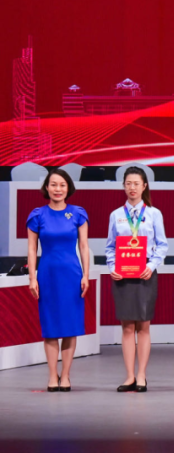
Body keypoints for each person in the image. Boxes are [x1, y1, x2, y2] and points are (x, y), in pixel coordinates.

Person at [104, 166, 168, 393]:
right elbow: (110, 247)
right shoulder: (116, 215)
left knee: (143, 326)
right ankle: (129, 376)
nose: (132, 188)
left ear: (144, 186)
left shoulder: (153, 213)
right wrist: (112, 267)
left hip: (145, 274)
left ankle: (142, 375)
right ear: (124, 186)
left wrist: (151, 266)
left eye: (136, 184)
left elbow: (162, 245)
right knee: (127, 327)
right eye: (128, 183)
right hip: (122, 275)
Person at [26, 168, 89, 392]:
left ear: (68, 188)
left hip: (72, 275)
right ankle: (53, 375)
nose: (58, 189)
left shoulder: (78, 214)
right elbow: (32, 249)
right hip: (48, 275)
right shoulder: (37, 215)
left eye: (62, 185)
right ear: (46, 188)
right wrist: (32, 277)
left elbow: (84, 247)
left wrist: (86, 275)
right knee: (51, 327)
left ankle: (66, 376)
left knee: (70, 327)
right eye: (53, 184)